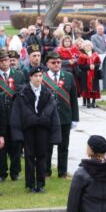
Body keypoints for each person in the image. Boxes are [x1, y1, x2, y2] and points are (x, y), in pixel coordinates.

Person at [10, 66, 61, 193]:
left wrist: (56, 135)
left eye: (40, 76)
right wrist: (17, 134)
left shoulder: (47, 93)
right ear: (30, 77)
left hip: (43, 130)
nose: (38, 79)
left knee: (42, 156)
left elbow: (54, 114)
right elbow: (16, 115)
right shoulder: (22, 93)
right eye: (36, 76)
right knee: (29, 156)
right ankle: (31, 184)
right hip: (28, 130)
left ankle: (41, 183)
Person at [43, 51, 78, 179]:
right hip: (48, 118)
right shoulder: (42, 77)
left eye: (58, 62)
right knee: (47, 146)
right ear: (47, 63)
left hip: (64, 117)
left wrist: (75, 118)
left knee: (64, 147)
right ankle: (46, 171)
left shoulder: (68, 76)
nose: (57, 65)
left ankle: (62, 172)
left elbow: (73, 99)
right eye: (53, 62)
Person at [0, 49, 27, 182]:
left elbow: (24, 93)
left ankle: (15, 172)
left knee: (16, 145)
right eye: (2, 61)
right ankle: (2, 172)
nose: (4, 63)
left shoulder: (19, 75)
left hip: (16, 115)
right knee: (1, 147)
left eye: (6, 60)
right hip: (0, 116)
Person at [77, 41, 101, 109]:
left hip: (94, 74)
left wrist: (95, 66)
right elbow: (80, 65)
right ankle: (88, 101)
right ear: (84, 47)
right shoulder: (82, 55)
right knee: (86, 88)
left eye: (89, 46)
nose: (88, 47)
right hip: (85, 74)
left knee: (94, 88)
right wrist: (88, 67)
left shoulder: (95, 54)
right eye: (86, 46)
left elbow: (98, 63)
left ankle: (93, 101)